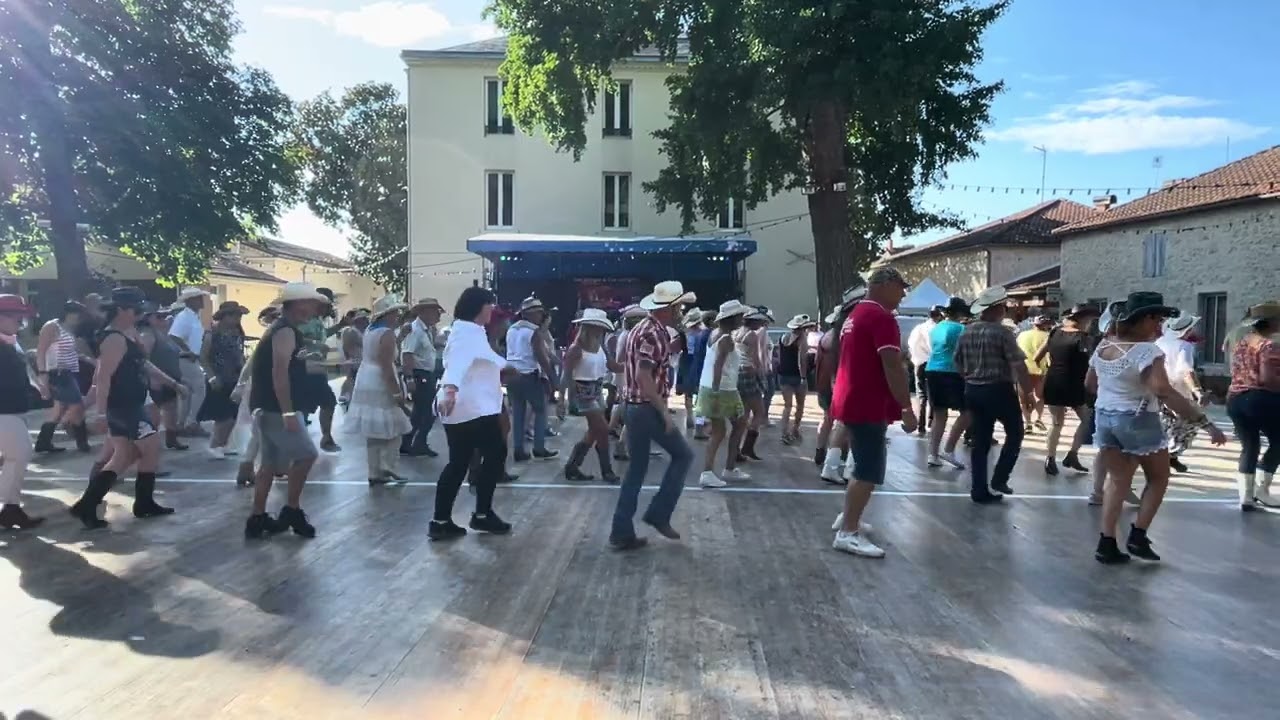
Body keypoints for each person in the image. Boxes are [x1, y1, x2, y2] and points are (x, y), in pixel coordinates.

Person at [1089, 292, 1226, 563]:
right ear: (1145, 318)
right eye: (1158, 319)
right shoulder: (1147, 351)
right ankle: (1138, 536)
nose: (1161, 325)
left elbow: (1090, 385)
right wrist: (1204, 422)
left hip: (1105, 417)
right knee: (1158, 478)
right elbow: (1164, 391)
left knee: (1117, 480)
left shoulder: (1103, 347)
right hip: (1138, 419)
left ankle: (1106, 542)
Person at [70, 287, 187, 529]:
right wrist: (100, 412)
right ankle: (140, 503)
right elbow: (102, 377)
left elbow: (144, 364)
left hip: (131, 402)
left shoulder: (128, 333)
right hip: (124, 406)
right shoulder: (114, 338)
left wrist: (173, 383)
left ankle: (88, 504)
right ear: (121, 310)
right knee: (150, 447)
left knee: (124, 454)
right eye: (135, 310)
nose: (138, 314)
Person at [829, 269, 916, 558]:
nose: (903, 294)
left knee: (861, 464)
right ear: (885, 285)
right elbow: (892, 365)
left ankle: (848, 518)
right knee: (868, 468)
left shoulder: (854, 316)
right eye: (900, 288)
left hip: (851, 398)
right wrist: (906, 406)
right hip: (867, 403)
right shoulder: (881, 317)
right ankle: (848, 533)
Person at [610, 280, 697, 551]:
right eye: (679, 306)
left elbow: (632, 366)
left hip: (633, 406)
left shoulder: (642, 329)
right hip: (646, 408)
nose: (681, 310)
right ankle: (659, 514)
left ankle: (622, 531)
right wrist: (664, 411)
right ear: (669, 308)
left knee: (636, 471)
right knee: (683, 456)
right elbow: (644, 375)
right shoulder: (654, 334)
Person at [243, 282, 329, 540]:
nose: (315, 307)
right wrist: (288, 413)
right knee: (306, 455)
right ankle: (292, 509)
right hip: (275, 408)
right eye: (312, 302)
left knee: (269, 464)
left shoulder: (284, 330)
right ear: (300, 303)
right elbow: (279, 373)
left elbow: (292, 364)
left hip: (268, 406)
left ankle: (257, 517)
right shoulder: (284, 331)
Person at [433, 286, 514, 540]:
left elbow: (484, 358)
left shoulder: (469, 331)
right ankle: (480, 514)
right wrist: (450, 389)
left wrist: (505, 365)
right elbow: (457, 362)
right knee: (493, 454)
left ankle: (442, 520)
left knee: (460, 462)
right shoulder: (467, 333)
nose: (493, 311)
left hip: (470, 407)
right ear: (480, 306)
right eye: (490, 306)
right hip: (471, 408)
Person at [954, 287, 1034, 504]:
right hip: (998, 388)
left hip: (973, 389)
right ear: (998, 309)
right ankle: (1000, 478)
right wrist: (1028, 392)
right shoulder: (1002, 333)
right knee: (1015, 432)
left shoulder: (966, 331)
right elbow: (1018, 364)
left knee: (980, 441)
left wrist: (970, 378)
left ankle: (978, 490)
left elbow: (957, 362)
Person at [347, 296, 414, 485]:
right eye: (395, 312)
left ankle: (374, 471)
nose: (397, 316)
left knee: (373, 427)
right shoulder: (386, 333)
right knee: (395, 424)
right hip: (379, 379)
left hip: (366, 376)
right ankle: (388, 465)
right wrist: (396, 393)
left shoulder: (370, 330)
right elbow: (386, 364)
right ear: (388, 314)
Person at [1225, 301, 1280, 510]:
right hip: (1260, 399)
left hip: (1235, 398)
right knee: (1279, 441)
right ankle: (1262, 490)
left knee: (1250, 445)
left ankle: (1246, 497)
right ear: (1273, 322)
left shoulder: (1242, 342)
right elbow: (1267, 378)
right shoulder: (1268, 345)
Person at [558, 308, 621, 482]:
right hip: (582, 392)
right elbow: (566, 375)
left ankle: (572, 467)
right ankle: (606, 471)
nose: (601, 330)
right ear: (588, 327)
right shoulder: (576, 349)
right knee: (602, 429)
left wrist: (634, 366)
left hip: (596, 390)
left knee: (594, 431)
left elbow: (613, 366)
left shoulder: (599, 346)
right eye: (597, 326)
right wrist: (562, 400)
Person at [1037, 304, 1100, 476]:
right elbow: (1091, 363)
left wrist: (1047, 371)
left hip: (1054, 380)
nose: (1090, 323)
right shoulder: (1083, 338)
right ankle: (1072, 454)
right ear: (1082, 319)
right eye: (1089, 319)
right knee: (1086, 420)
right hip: (1076, 384)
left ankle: (1050, 458)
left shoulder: (1054, 332)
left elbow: (1038, 356)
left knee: (1056, 422)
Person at [695, 300, 753, 489]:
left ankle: (728, 467)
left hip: (722, 388)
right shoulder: (726, 339)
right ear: (733, 318)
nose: (742, 319)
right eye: (740, 316)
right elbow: (718, 366)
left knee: (739, 424)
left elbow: (721, 364)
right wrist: (716, 392)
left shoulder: (717, 334)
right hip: (720, 389)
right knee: (721, 431)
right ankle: (708, 472)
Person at [0, 294, 43, 529]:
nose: (21, 323)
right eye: (18, 318)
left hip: (13, 408)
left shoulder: (9, 340)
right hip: (3, 410)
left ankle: (10, 508)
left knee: (16, 456)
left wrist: (35, 386)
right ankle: (9, 508)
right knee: (19, 453)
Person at [232, 305, 281, 487]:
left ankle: (248, 465)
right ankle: (257, 467)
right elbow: (252, 364)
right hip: (266, 387)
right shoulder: (274, 337)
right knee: (263, 429)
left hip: (264, 385)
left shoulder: (272, 336)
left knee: (260, 430)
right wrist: (241, 384)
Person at [506, 296, 558, 462]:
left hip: (511, 374)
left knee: (518, 413)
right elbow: (541, 357)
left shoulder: (511, 329)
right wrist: (553, 379)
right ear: (530, 314)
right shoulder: (534, 332)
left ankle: (518, 449)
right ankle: (539, 447)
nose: (540, 317)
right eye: (538, 313)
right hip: (529, 374)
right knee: (541, 410)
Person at [34, 301, 91, 453]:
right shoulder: (52, 327)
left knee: (59, 410)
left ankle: (43, 442)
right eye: (77, 314)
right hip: (57, 373)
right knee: (77, 405)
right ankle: (82, 442)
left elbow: (69, 352)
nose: (79, 319)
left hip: (68, 372)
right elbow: (41, 351)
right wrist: (43, 375)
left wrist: (86, 359)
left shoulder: (68, 329)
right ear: (69, 313)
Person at [924, 296, 971, 469]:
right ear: (959, 312)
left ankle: (933, 453)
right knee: (968, 412)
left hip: (932, 369)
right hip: (951, 371)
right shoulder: (961, 329)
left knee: (939, 414)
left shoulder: (936, 328)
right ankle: (949, 449)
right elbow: (964, 352)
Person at [1156, 314, 1206, 474]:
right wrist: (1197, 391)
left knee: (1166, 425)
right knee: (1189, 425)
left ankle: (1170, 458)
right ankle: (1169, 457)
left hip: (1158, 389)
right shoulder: (1184, 346)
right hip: (1178, 392)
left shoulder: (1159, 342)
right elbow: (1186, 370)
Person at [199, 301, 249, 459]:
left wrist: (244, 374)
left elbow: (239, 355)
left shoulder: (236, 332)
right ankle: (215, 445)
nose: (238, 318)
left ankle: (223, 444)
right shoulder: (212, 333)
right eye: (235, 315)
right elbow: (203, 357)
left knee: (233, 414)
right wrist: (212, 376)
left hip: (234, 377)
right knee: (223, 416)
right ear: (225, 316)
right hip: (218, 378)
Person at [296, 288, 341, 452]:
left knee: (326, 402)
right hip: (305, 367)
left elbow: (322, 335)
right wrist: (315, 345)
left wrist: (340, 326)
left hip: (317, 368)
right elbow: (297, 336)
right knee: (306, 406)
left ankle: (325, 437)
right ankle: (303, 442)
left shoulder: (317, 320)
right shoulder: (304, 319)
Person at [400, 297, 445, 457]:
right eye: (435, 311)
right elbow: (407, 354)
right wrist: (409, 378)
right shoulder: (415, 330)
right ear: (424, 312)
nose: (438, 315)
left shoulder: (426, 330)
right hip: (420, 374)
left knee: (420, 412)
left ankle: (408, 442)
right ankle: (417, 442)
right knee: (429, 411)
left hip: (426, 373)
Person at [140, 305, 187, 451]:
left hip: (170, 377)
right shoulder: (148, 335)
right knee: (154, 415)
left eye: (164, 317)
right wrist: (151, 379)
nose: (163, 319)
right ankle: (149, 445)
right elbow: (143, 360)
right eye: (159, 317)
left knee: (171, 409)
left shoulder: (164, 334)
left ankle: (171, 439)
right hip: (156, 380)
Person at [168, 287, 210, 436]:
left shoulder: (193, 316)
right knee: (199, 389)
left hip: (189, 359)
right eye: (198, 298)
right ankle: (191, 422)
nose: (201, 301)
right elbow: (174, 336)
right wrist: (188, 350)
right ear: (190, 300)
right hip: (186, 358)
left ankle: (183, 423)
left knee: (188, 392)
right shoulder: (184, 317)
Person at [607, 305, 646, 459]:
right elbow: (622, 358)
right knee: (634, 411)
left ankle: (616, 435)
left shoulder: (625, 334)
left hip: (624, 376)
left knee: (624, 407)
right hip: (628, 376)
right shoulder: (630, 335)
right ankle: (622, 444)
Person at [733, 307, 769, 462]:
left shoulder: (737, 333)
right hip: (749, 372)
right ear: (754, 321)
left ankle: (737, 450)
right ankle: (748, 446)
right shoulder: (752, 335)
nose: (761, 324)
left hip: (738, 373)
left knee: (745, 413)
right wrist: (762, 376)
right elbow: (756, 358)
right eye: (760, 321)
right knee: (759, 412)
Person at [778, 314, 815, 445]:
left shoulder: (783, 337)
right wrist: (804, 377)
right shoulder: (802, 339)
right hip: (796, 375)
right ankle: (795, 429)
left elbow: (779, 355)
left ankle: (784, 433)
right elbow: (802, 361)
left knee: (787, 406)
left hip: (783, 374)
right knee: (800, 405)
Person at [906, 305, 942, 438]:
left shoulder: (918, 328)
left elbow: (911, 344)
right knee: (933, 394)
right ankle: (931, 423)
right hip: (932, 364)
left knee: (921, 395)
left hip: (918, 363)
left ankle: (920, 425)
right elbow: (935, 346)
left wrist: (915, 358)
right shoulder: (936, 329)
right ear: (938, 315)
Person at [1016, 313, 1053, 432]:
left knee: (1023, 398)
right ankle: (1039, 419)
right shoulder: (1048, 336)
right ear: (1046, 325)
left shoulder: (1022, 335)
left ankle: (1028, 423)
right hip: (1040, 370)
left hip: (1022, 370)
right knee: (1039, 397)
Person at [675, 308, 704, 432]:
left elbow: (676, 347)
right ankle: (699, 422)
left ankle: (689, 416)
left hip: (686, 359)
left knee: (688, 391)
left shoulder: (683, 333)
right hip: (698, 360)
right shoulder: (703, 333)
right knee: (701, 391)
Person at [337, 309, 369, 406]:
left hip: (362, 362)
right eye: (364, 319)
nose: (367, 321)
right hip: (354, 362)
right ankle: (347, 397)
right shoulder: (350, 331)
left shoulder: (363, 332)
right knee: (352, 379)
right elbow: (346, 347)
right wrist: (349, 361)